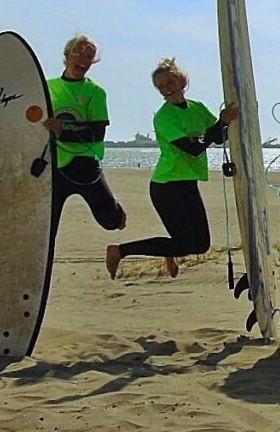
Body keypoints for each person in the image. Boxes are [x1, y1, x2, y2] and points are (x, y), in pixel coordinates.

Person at [105, 58, 237, 279]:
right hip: (166, 186)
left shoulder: (198, 108)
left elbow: (218, 135)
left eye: (169, 83)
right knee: (184, 244)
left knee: (201, 245)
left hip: (188, 183)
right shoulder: (164, 117)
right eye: (161, 87)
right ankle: (118, 251)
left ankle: (169, 251)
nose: (166, 89)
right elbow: (193, 148)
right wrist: (222, 123)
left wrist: (227, 122)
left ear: (181, 81)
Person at [45, 34, 127, 243]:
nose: (83, 59)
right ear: (66, 56)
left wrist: (62, 132)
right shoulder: (47, 88)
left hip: (84, 164)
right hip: (53, 166)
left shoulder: (95, 92)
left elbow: (97, 134)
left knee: (110, 221)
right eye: (78, 53)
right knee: (46, 231)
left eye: (89, 56)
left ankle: (117, 211)